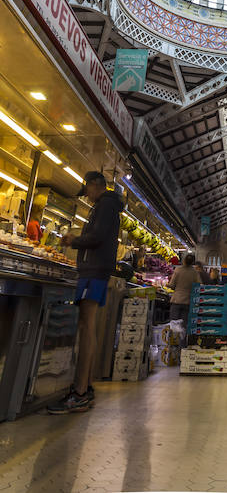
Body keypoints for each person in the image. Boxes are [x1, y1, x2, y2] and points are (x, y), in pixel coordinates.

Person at [48, 172, 122, 414]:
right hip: (96, 270)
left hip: (94, 271)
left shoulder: (106, 206)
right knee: (87, 326)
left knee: (86, 325)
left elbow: (97, 237)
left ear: (94, 185)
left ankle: (79, 392)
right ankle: (85, 388)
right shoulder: (106, 206)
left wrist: (74, 241)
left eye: (88, 191)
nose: (87, 197)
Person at [169, 253, 199, 324]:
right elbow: (198, 285)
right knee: (183, 324)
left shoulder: (178, 270)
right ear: (193, 262)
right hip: (187, 301)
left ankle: (174, 335)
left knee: (173, 323)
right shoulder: (194, 272)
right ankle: (182, 335)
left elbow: (172, 285)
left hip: (177, 300)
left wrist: (166, 285)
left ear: (184, 260)